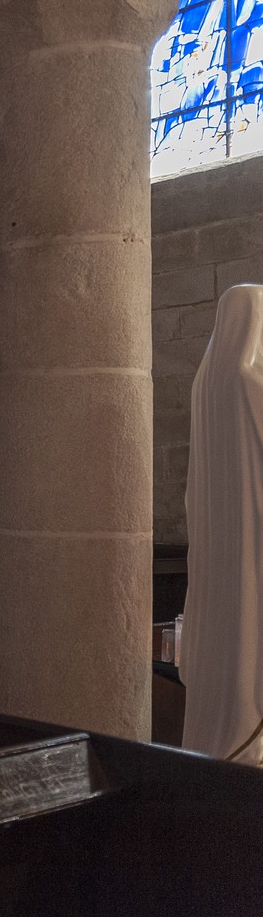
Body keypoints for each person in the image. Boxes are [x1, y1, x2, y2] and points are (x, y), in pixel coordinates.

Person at [182, 285, 263, 764]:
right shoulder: (250, 382)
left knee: (221, 652)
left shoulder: (205, 385)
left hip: (217, 553)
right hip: (251, 549)